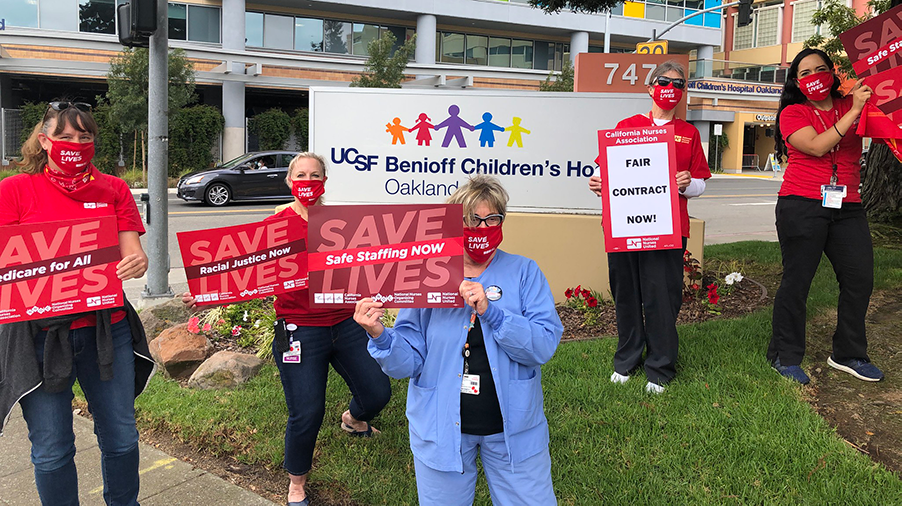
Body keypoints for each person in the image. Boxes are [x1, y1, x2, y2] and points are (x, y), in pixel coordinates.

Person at [182, 152, 391, 506]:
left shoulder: (342, 221)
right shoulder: (274, 224)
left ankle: (353, 419)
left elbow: (368, 265)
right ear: (290, 181)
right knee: (307, 410)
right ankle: (296, 483)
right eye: (301, 175)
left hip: (345, 321)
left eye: (315, 175)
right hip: (300, 328)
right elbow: (241, 268)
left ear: (325, 180)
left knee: (378, 393)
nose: (308, 181)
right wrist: (206, 290)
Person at [355, 175, 562, 506]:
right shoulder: (427, 274)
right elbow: (407, 362)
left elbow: (543, 345)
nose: (482, 227)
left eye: (491, 218)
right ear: (454, 224)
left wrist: (493, 313)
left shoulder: (524, 271)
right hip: (442, 430)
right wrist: (380, 336)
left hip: (513, 430)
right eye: (471, 220)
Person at [0, 100, 154, 506]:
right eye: (65, 136)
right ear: (43, 140)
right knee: (51, 450)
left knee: (121, 437)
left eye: (84, 137)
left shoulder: (114, 189)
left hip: (107, 330)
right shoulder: (14, 190)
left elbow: (131, 255)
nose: (75, 143)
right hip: (39, 337)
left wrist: (137, 263)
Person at [589, 60, 711, 394]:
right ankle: (627, 359)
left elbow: (701, 183)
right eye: (664, 82)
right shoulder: (626, 126)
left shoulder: (689, 133)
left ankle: (660, 365)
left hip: (668, 226)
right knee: (626, 292)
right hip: (624, 225)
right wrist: (597, 180)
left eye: (678, 84)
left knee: (662, 295)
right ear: (649, 87)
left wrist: (688, 184)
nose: (670, 89)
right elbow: (604, 170)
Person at [767, 48, 883, 384]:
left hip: (848, 207)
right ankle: (785, 356)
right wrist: (854, 111)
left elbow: (887, 116)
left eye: (821, 69)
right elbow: (817, 146)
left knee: (860, 278)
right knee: (797, 280)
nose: (814, 77)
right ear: (796, 82)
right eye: (805, 73)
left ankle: (848, 354)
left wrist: (872, 90)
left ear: (833, 73)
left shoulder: (852, 103)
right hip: (801, 204)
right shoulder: (792, 113)